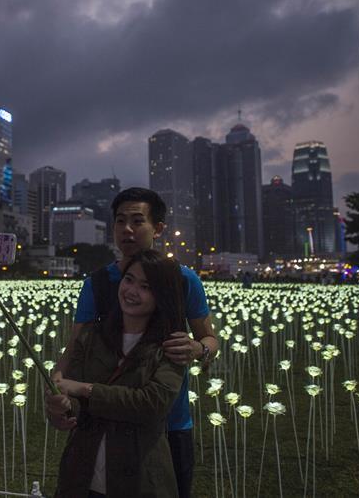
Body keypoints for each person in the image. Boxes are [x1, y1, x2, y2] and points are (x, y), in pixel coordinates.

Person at [53, 187, 218, 498]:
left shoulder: (183, 280)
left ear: (157, 228)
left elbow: (208, 337)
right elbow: (75, 347)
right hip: (106, 420)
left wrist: (199, 349)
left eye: (137, 221)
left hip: (169, 422)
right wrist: (58, 387)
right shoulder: (98, 284)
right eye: (120, 221)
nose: (126, 230)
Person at [47, 249, 186, 497]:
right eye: (129, 279)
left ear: (161, 296)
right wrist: (62, 409)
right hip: (81, 476)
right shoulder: (91, 335)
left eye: (146, 287)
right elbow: (75, 404)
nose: (132, 291)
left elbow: (151, 405)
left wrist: (84, 389)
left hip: (140, 479)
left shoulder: (172, 347)